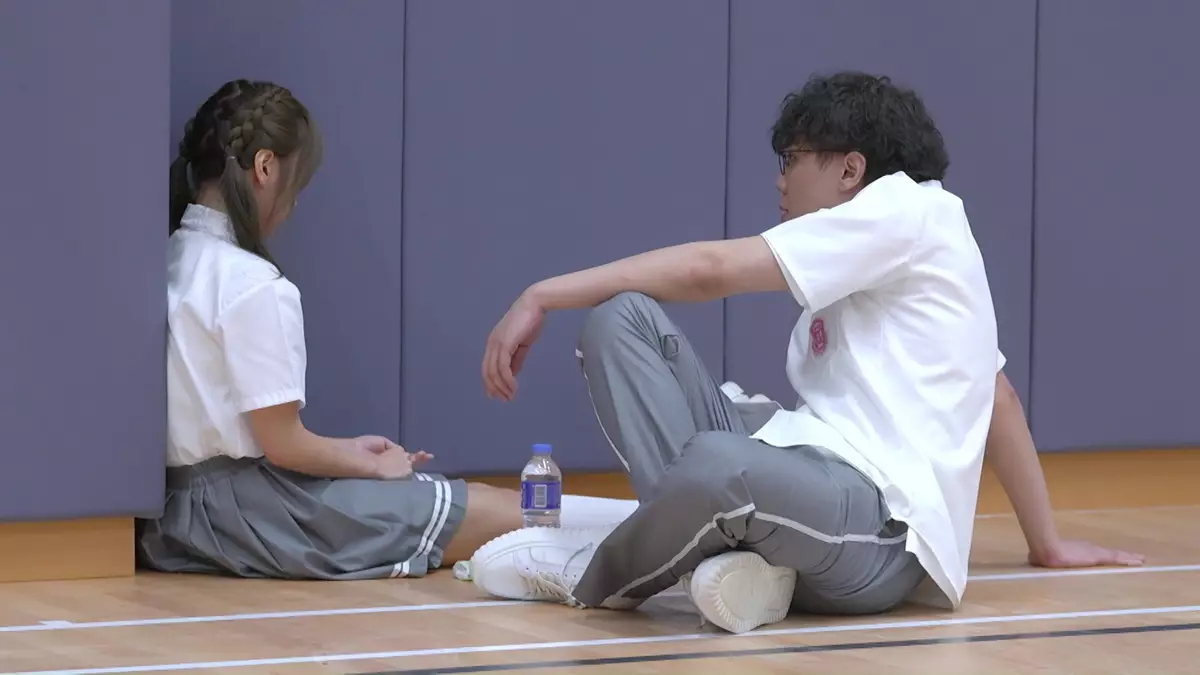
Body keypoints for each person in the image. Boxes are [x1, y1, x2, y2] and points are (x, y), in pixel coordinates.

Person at [469, 71, 1143, 632]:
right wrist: (1046, 543)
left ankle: (596, 575)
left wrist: (542, 293)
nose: (780, 181)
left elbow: (708, 269)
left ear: (851, 169)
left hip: (881, 533)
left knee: (717, 462)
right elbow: (1000, 396)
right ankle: (724, 562)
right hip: (809, 478)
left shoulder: (910, 210)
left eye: (792, 159)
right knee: (622, 320)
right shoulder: (900, 246)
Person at [137, 79, 637, 580]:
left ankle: (655, 527)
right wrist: (373, 466)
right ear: (265, 167)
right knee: (500, 510)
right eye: (297, 184)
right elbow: (283, 445)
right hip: (256, 516)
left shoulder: (172, 257)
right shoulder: (253, 284)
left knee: (463, 501)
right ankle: (660, 527)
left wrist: (350, 451)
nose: (294, 205)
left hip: (182, 517)